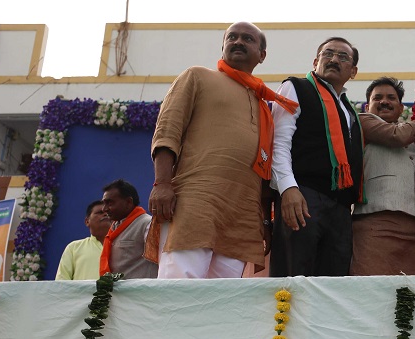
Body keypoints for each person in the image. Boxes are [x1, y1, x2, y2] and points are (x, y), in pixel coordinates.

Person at [150, 21, 298, 279]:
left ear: (262, 55)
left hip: (242, 213)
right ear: (223, 46)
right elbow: (167, 130)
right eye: (232, 37)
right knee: (178, 289)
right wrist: (162, 183)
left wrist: (263, 221)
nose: (238, 42)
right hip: (196, 200)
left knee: (224, 301)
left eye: (248, 39)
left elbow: (264, 168)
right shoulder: (197, 76)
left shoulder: (263, 104)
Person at [270, 36, 364, 277]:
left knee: (334, 285)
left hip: (340, 208)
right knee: (294, 278)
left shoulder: (348, 109)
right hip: (303, 196)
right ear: (315, 62)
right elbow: (278, 143)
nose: (334, 59)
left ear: (353, 71)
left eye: (343, 57)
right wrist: (288, 189)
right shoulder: (296, 88)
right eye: (328, 54)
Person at [349, 77, 415, 275]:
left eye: (391, 98)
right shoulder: (363, 121)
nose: (384, 101)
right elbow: (397, 136)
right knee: (372, 288)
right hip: (376, 224)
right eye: (378, 98)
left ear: (402, 108)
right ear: (368, 106)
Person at [100, 179, 157, 278]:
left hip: (141, 292)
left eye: (110, 203)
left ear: (129, 202)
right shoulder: (114, 228)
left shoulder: (147, 224)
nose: (104, 209)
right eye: (104, 203)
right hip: (118, 292)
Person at [56, 201, 111, 280]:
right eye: (100, 212)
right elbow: (61, 282)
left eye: (108, 212)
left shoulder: (122, 247)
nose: (105, 214)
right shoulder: (74, 248)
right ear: (87, 221)